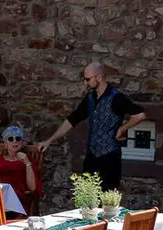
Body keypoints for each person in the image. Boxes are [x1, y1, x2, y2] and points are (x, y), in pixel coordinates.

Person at [39, 61, 146, 189]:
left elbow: (140, 115)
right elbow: (72, 120)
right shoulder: (90, 98)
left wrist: (123, 128)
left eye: (87, 79)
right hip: (91, 158)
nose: (85, 83)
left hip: (110, 160)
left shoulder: (117, 98)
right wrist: (49, 140)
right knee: (88, 200)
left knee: (107, 204)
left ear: (99, 77)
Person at [0, 125, 40, 209]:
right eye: (10, 139)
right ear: (5, 144)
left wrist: (27, 163)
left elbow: (32, 187)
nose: (15, 141)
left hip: (17, 197)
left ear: (22, 143)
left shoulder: (28, 161)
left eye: (18, 139)